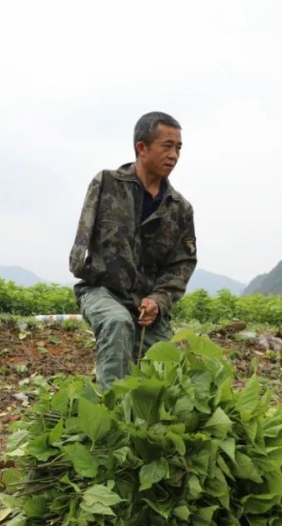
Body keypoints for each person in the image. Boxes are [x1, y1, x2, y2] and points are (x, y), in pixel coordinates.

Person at [69, 111, 197, 390]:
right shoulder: (107, 184)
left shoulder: (180, 209)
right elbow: (81, 241)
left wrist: (158, 300)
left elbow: (182, 265)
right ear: (142, 147)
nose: (174, 155)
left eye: (178, 148)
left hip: (145, 303)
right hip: (102, 291)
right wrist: (88, 274)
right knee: (117, 323)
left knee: (168, 366)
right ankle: (111, 407)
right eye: (167, 146)